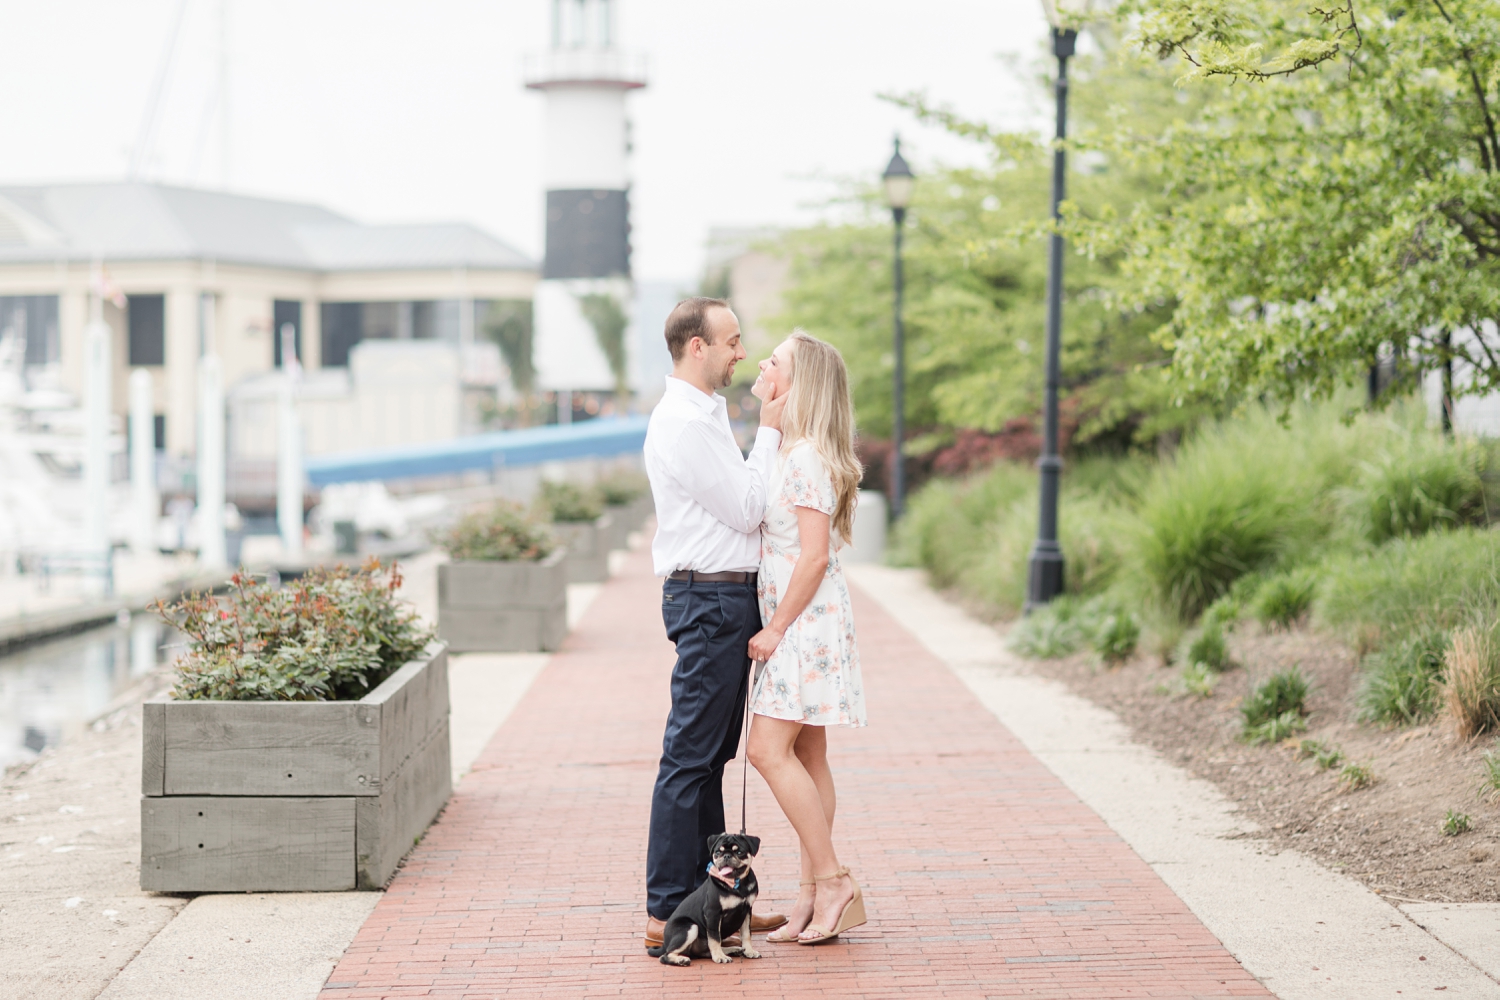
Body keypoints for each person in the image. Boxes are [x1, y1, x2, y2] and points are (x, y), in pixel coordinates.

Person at [641, 297, 790, 954]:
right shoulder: (682, 423)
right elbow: (748, 507)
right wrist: (773, 430)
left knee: (709, 762)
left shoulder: (703, 415)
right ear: (695, 346)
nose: (740, 352)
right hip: (710, 602)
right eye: (731, 341)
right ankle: (665, 912)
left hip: (723, 601)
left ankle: (718, 905)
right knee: (690, 759)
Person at [745, 330, 868, 945]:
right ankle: (810, 897)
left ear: (800, 385)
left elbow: (813, 557)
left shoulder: (806, 459)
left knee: (766, 749)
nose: (762, 361)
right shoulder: (796, 450)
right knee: (809, 755)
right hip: (805, 620)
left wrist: (774, 627)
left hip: (801, 622)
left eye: (776, 360)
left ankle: (833, 879)